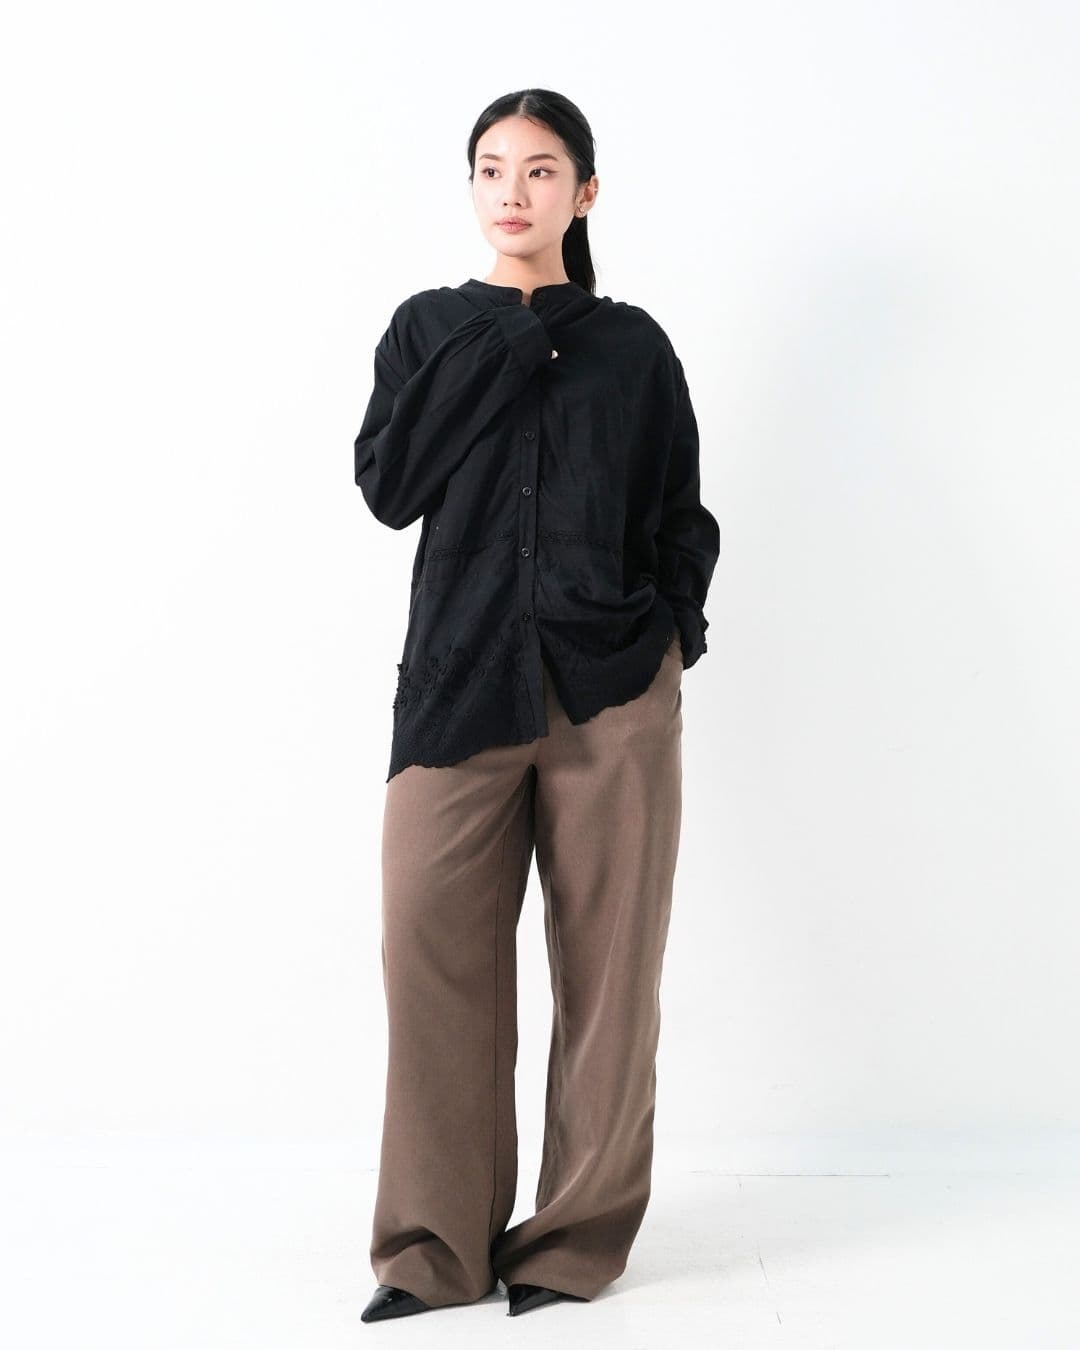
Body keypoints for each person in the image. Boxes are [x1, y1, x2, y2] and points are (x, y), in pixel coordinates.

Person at [353, 88, 720, 1323]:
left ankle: (570, 1242)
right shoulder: (428, 329)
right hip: (459, 685)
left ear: (586, 192)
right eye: (492, 168)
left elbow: (681, 513)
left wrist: (669, 637)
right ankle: (434, 1249)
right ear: (471, 187)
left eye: (542, 169)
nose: (513, 191)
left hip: (610, 691)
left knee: (611, 975)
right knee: (429, 952)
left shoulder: (633, 348)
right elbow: (390, 485)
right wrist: (513, 332)